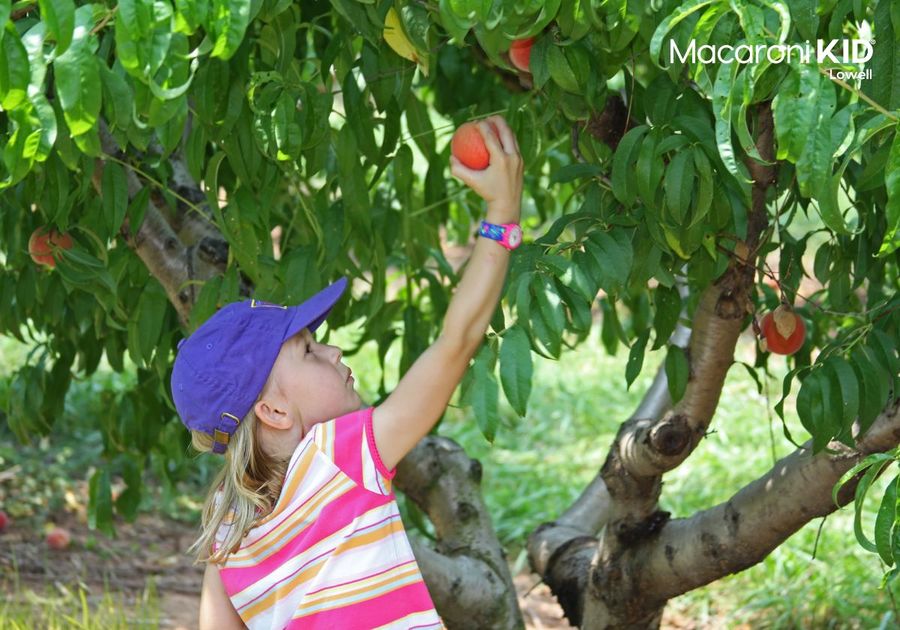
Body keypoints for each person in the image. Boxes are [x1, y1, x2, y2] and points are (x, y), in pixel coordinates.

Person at [171, 115, 523, 629]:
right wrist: (502, 212)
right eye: (310, 352)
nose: (334, 351)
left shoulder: (226, 532)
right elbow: (457, 342)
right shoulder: (338, 456)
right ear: (272, 409)